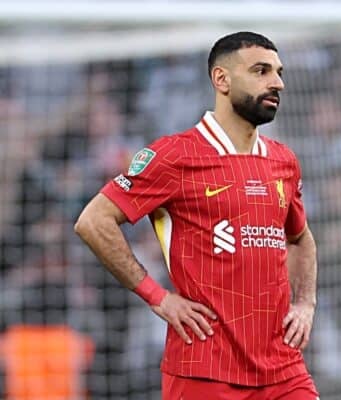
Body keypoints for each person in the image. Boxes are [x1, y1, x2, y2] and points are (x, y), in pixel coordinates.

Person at [74, 31, 319, 400]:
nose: (277, 83)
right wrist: (157, 296)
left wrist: (305, 302)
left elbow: (299, 237)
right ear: (221, 80)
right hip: (205, 370)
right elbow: (93, 221)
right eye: (261, 70)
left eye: (278, 72)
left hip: (283, 368)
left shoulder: (283, 161)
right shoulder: (175, 156)